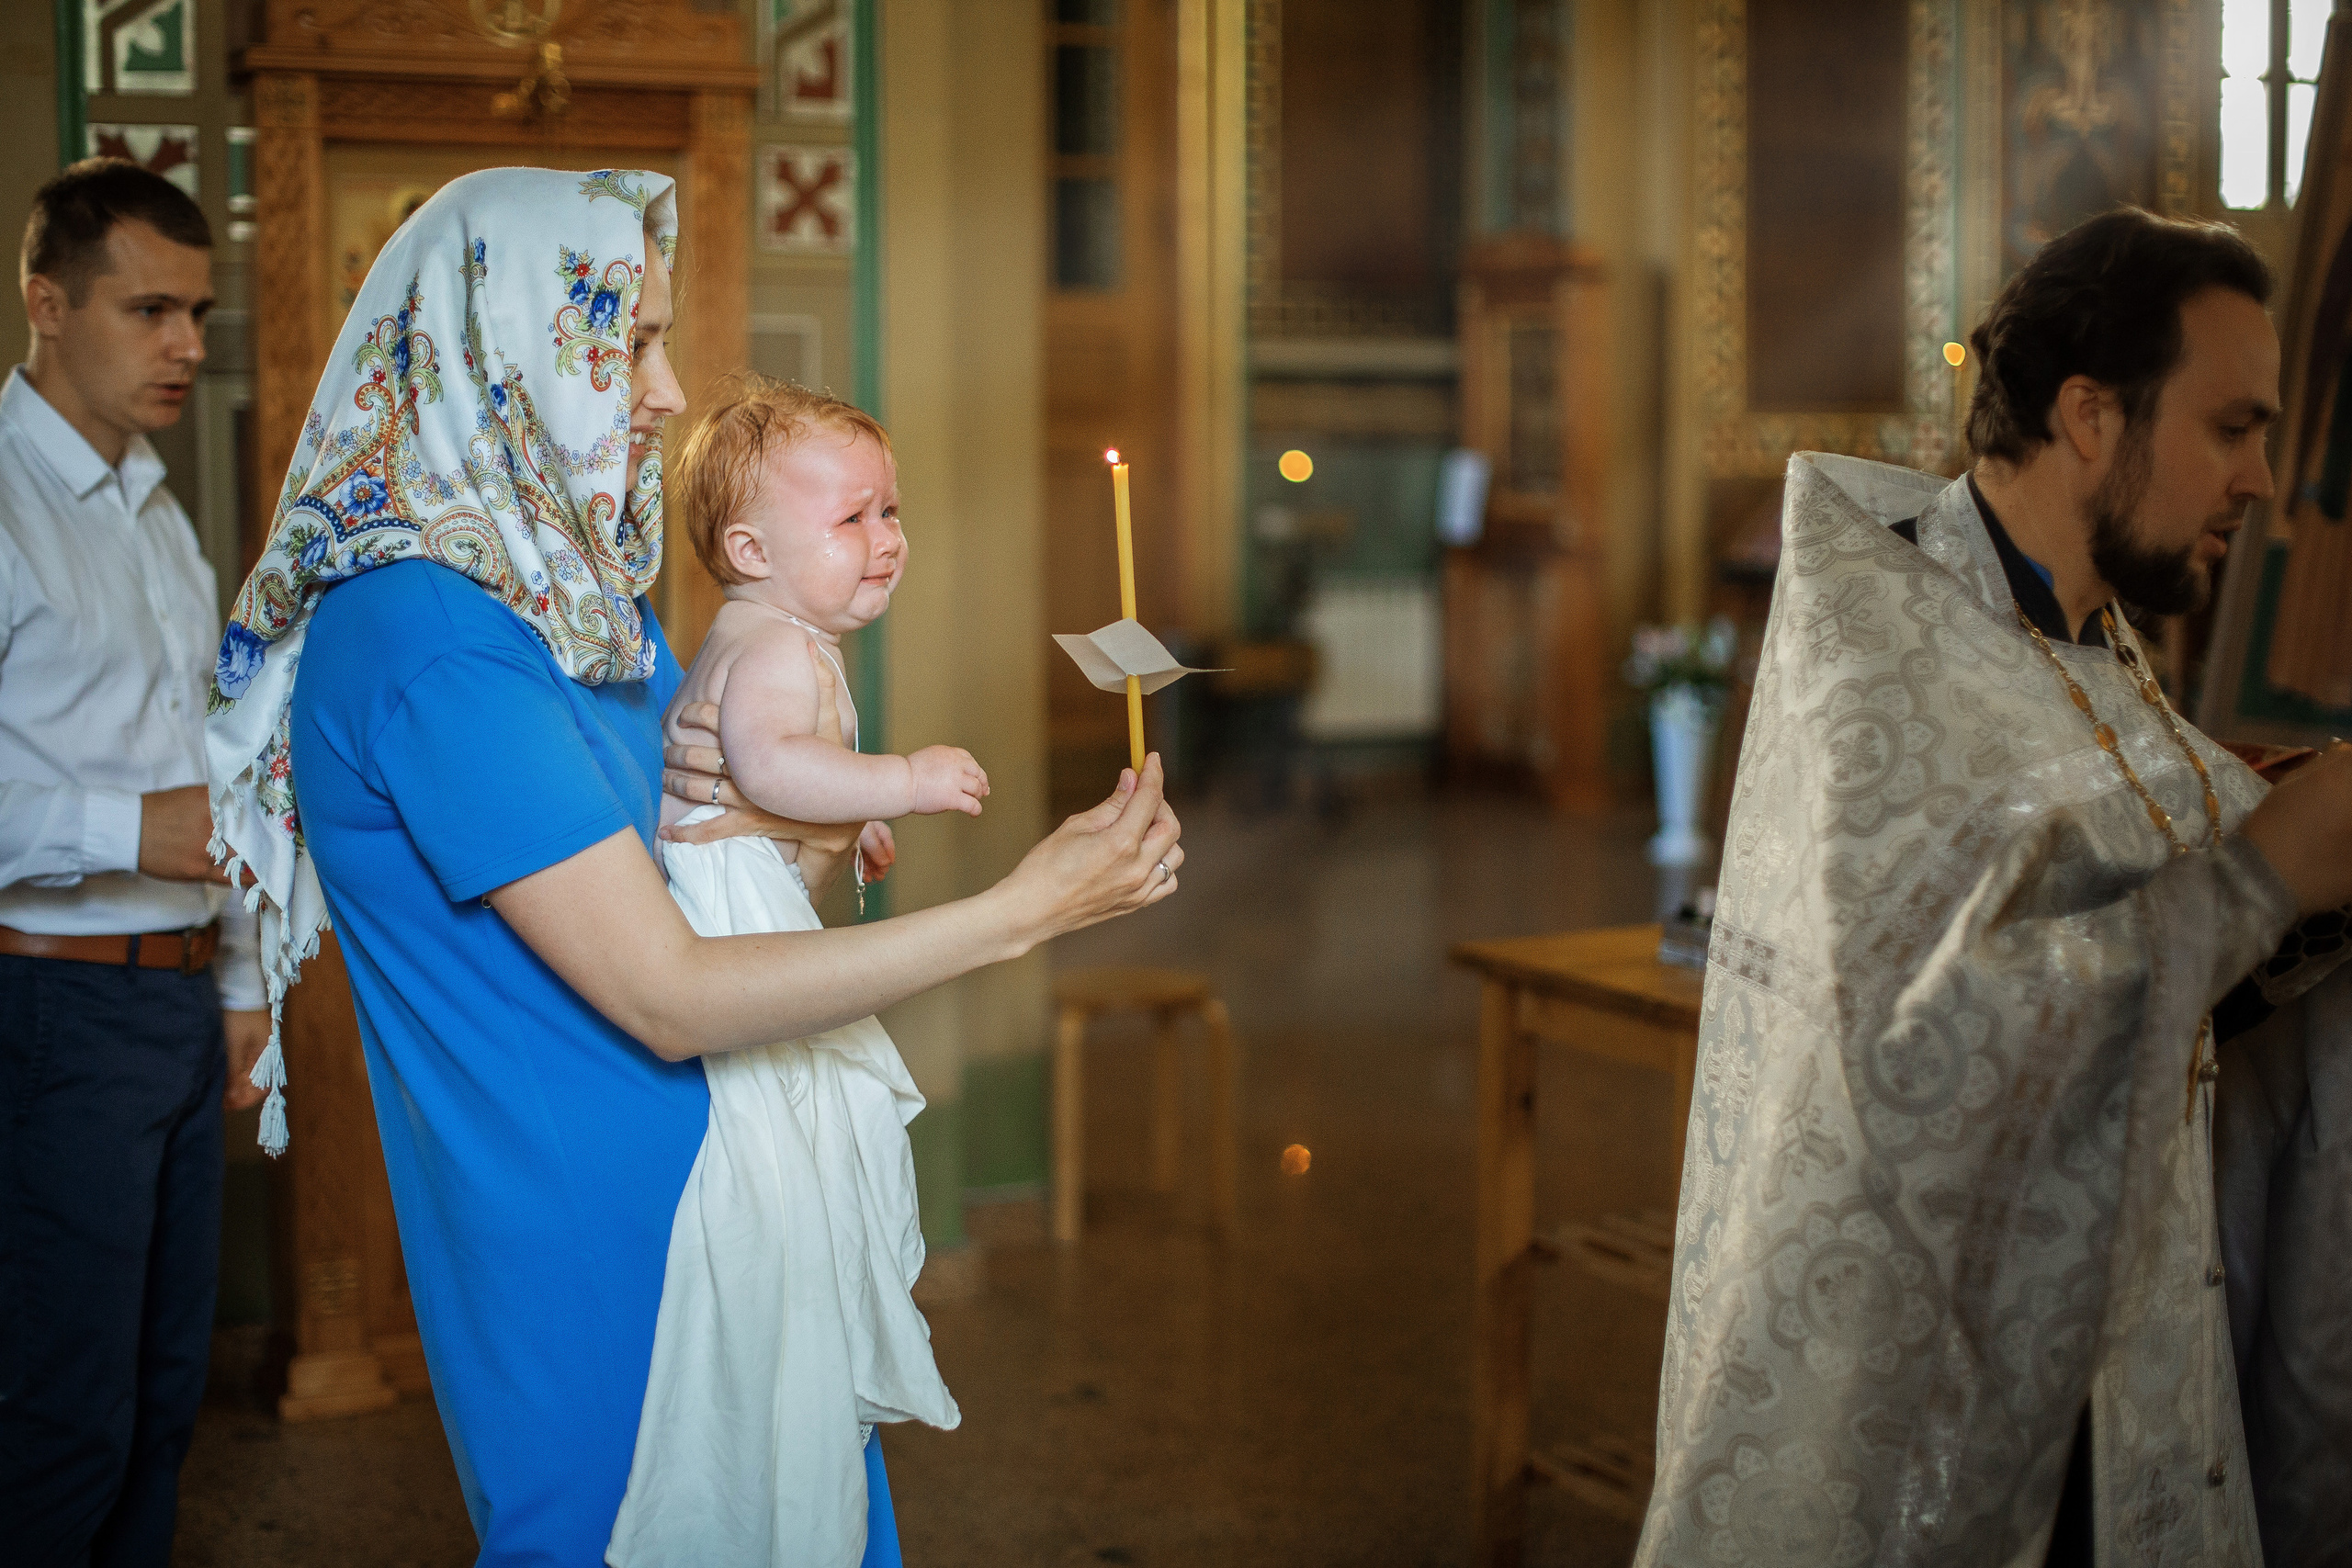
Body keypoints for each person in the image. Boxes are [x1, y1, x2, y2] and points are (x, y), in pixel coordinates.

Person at [204, 166, 1180, 1568]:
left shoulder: (573, 599)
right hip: (602, 1240)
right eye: (629, 340)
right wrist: (1021, 911)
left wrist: (837, 819)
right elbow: (666, 990)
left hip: (743, 1173)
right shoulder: (425, 635)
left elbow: (741, 853)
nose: (662, 392)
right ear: (503, 341)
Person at [1635, 207, 2352, 1564]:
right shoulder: (1892, 665)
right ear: (2092, 414)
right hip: (1930, 1406)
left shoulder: (2086, 641)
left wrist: (2297, 872)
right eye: (2231, 426)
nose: (2261, 479)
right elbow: (1935, 1045)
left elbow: (2140, 896)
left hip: (2112, 1354)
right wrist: (2268, 869)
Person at [609, 379, 984, 1567]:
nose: (890, 541)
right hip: (723, 915)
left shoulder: (784, 632)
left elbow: (786, 783)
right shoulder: (770, 641)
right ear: (750, 549)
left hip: (749, 887)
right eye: (856, 519)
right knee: (790, 1122)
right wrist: (903, 779)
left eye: (893, 512)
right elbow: (774, 765)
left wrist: (851, 819)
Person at [0, 158, 270, 1567]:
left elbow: (217, 771)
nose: (185, 347)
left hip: (171, 1007)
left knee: (167, 1408)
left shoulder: (158, 510)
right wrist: (127, 829)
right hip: (45, 1010)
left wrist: (235, 980)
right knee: (61, 1419)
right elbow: (160, 808)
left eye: (200, 314)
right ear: (46, 302)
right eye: (151, 310)